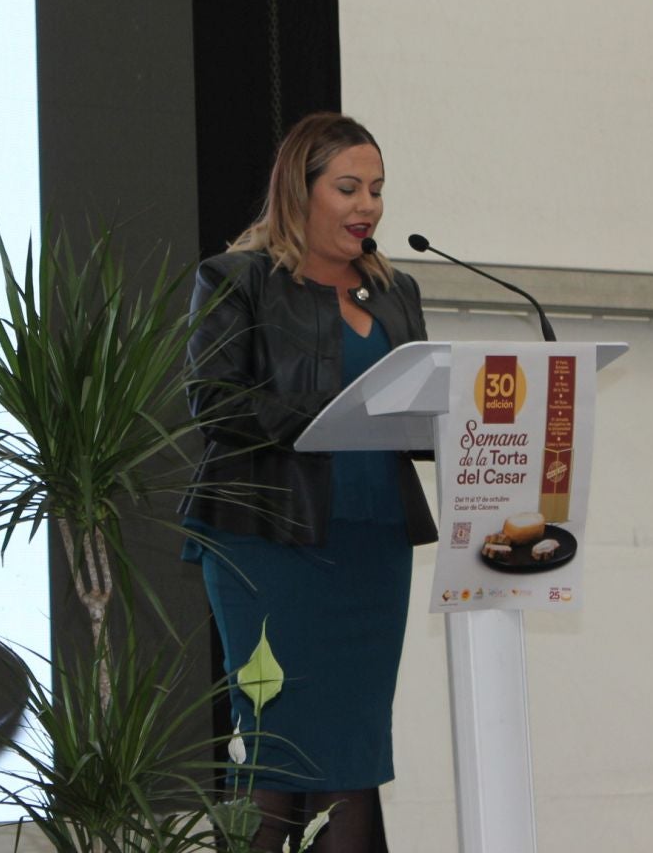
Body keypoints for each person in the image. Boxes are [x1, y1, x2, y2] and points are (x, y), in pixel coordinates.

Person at [183, 111, 436, 853]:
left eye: (378, 191)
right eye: (348, 188)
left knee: (353, 753)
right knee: (273, 746)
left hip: (373, 546)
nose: (367, 207)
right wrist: (330, 412)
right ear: (301, 190)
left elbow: (415, 408)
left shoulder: (394, 291)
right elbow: (214, 400)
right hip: (267, 548)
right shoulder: (237, 281)